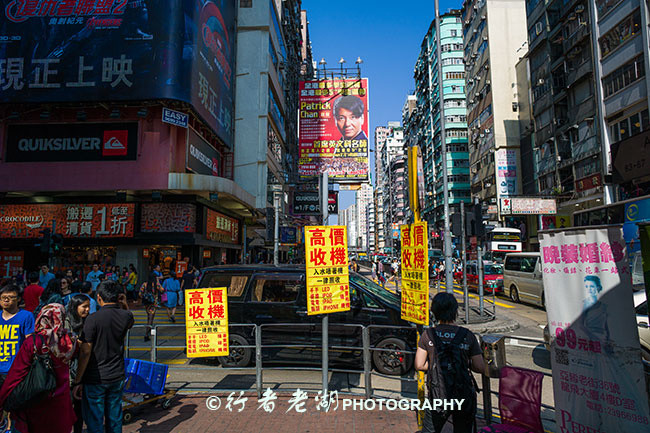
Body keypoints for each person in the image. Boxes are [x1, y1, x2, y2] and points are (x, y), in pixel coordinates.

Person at [415, 293, 485, 433]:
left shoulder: (428, 335)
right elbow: (480, 367)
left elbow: (419, 365)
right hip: (463, 394)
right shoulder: (467, 335)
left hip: (438, 395)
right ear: (455, 311)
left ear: (434, 311)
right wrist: (463, 361)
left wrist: (435, 363)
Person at [0, 304, 77, 433]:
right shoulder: (70, 341)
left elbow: (16, 374)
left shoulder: (34, 342)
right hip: (60, 404)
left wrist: (2, 400)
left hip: (36, 401)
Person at [73, 280, 133, 433]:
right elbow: (129, 319)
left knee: (95, 419)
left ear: (99, 298)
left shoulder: (92, 319)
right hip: (117, 374)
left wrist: (78, 380)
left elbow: (86, 352)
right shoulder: (125, 316)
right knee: (114, 418)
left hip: (95, 377)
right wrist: (124, 303)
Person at [65, 294, 91, 433]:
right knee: (68, 406)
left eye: (88, 307)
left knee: (79, 407)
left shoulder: (88, 322)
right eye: (84, 307)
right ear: (75, 307)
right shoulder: (66, 321)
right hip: (67, 371)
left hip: (81, 370)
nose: (87, 310)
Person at [139, 272, 163, 342]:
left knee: (149, 317)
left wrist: (145, 298)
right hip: (153, 304)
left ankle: (148, 332)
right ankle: (146, 334)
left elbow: (140, 293)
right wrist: (158, 282)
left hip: (147, 303)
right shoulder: (156, 284)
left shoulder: (145, 284)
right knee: (150, 319)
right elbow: (162, 289)